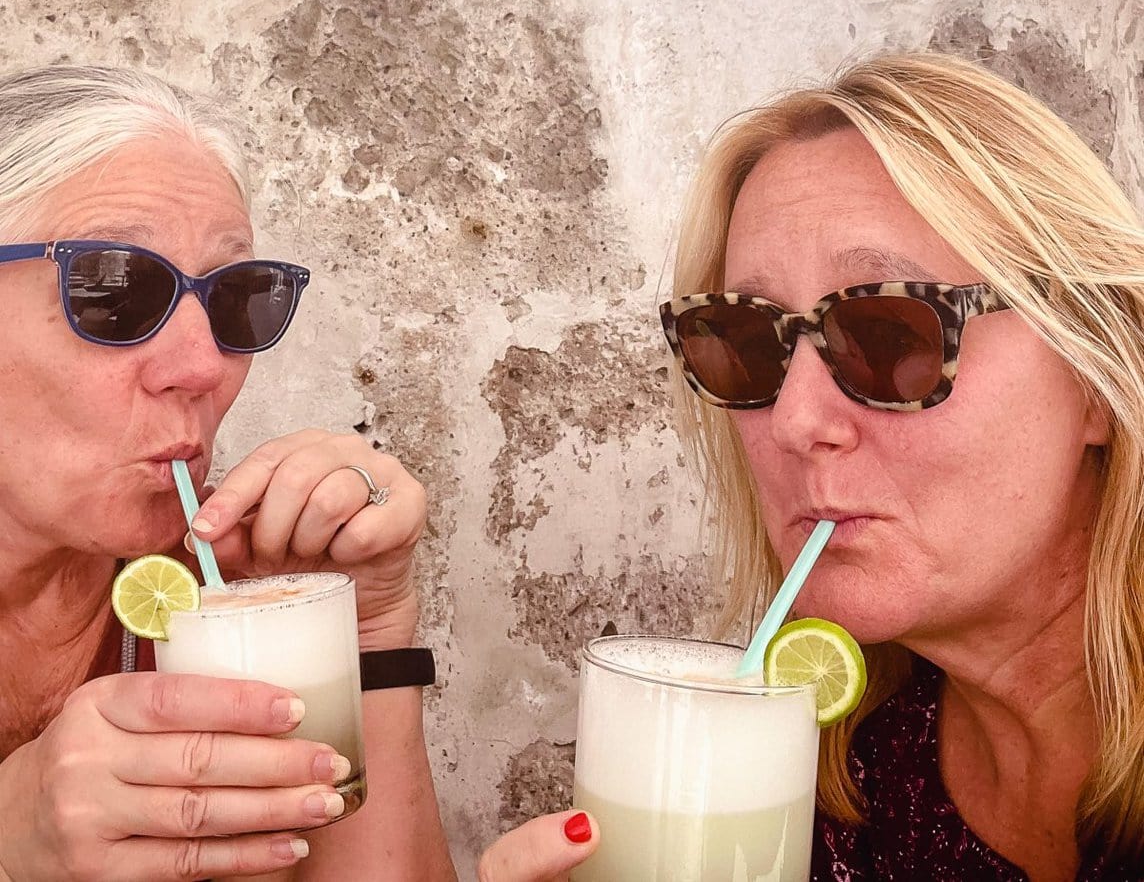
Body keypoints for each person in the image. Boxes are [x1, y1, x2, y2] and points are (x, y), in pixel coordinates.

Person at [478, 51, 1144, 881]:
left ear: (1097, 382)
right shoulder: (837, 784)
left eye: (889, 332)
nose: (793, 421)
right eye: (746, 344)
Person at [0, 66, 456, 881]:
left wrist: (367, 633)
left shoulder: (223, 599)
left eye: (238, 296)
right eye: (115, 289)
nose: (203, 364)